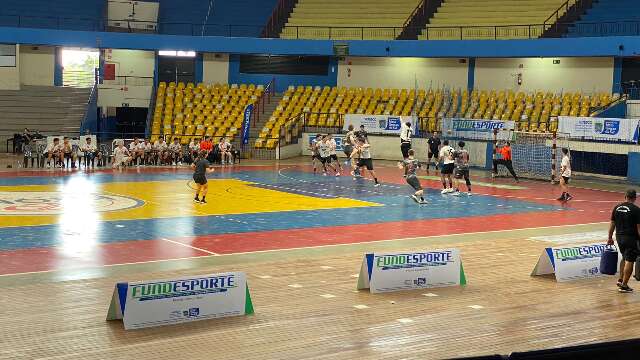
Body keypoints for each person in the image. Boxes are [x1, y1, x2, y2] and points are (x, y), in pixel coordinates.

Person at [607, 189, 640, 293]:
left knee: (624, 258)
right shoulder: (636, 209)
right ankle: (624, 285)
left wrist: (609, 237)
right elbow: (639, 228)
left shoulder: (616, 208)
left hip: (619, 237)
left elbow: (612, 223)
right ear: (635, 198)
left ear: (625, 196)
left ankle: (620, 279)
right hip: (631, 238)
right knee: (630, 260)